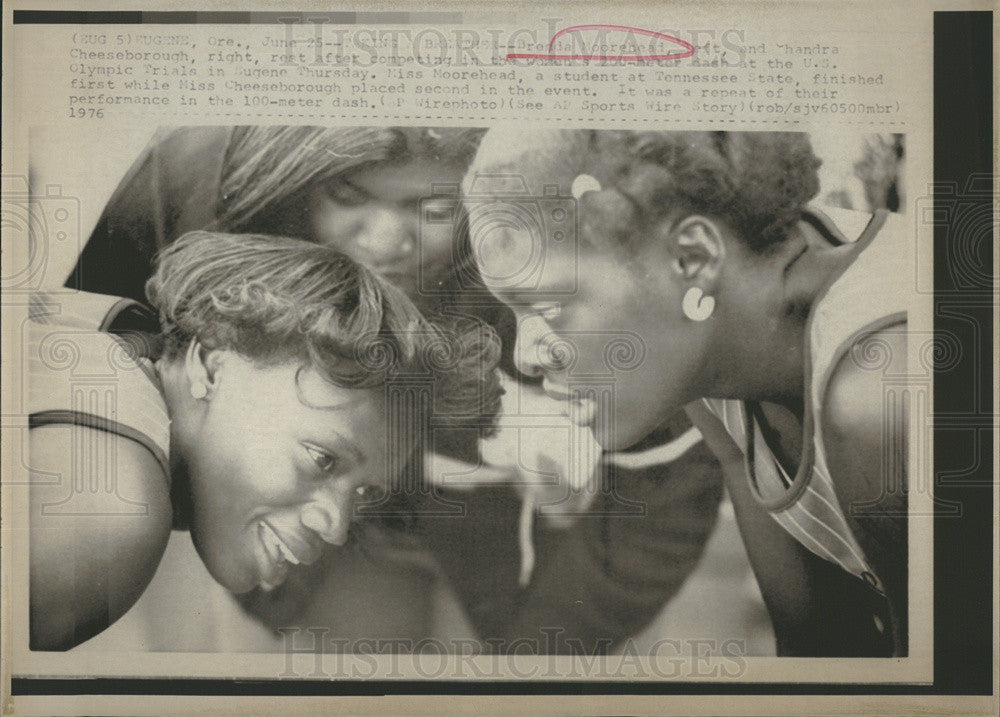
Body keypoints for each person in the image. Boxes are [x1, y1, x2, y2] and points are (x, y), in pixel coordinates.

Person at [66, 126, 723, 654]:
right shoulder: (194, 174)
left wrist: (545, 650)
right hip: (314, 531)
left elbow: (669, 492)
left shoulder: (575, 236)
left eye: (436, 209)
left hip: (545, 536)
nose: (383, 241)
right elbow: (95, 350)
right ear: (290, 181)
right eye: (348, 198)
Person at [465, 128, 909, 657]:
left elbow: (942, 691)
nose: (525, 355)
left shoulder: (880, 392)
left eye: (547, 307)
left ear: (693, 257)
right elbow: (824, 647)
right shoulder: (718, 349)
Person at [29, 230, 500, 650]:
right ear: (212, 364)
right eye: (322, 459)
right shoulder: (113, 515)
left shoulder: (99, 337)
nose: (335, 527)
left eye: (365, 494)